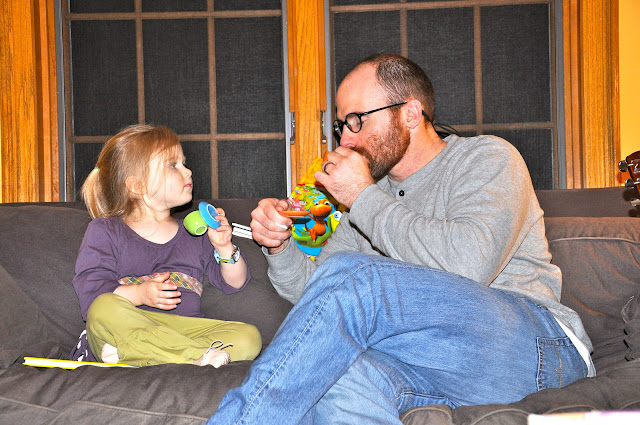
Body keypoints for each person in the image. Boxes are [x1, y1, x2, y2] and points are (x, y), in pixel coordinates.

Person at [208, 54, 594, 424]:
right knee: (333, 375)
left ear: (410, 113)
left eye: (357, 120)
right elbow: (320, 298)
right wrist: (279, 246)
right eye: (342, 126)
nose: (346, 140)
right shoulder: (371, 197)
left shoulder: (488, 158)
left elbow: (468, 265)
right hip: (432, 368)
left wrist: (362, 196)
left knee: (354, 275)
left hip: (539, 351)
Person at [71, 124, 261, 368]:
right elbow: (91, 294)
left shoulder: (194, 234)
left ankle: (142, 354)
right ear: (137, 185)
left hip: (183, 331)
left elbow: (235, 282)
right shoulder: (105, 231)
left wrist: (224, 246)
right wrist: (140, 294)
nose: (188, 171)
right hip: (129, 324)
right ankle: (186, 355)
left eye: (184, 163)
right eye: (173, 165)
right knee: (102, 307)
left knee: (249, 337)